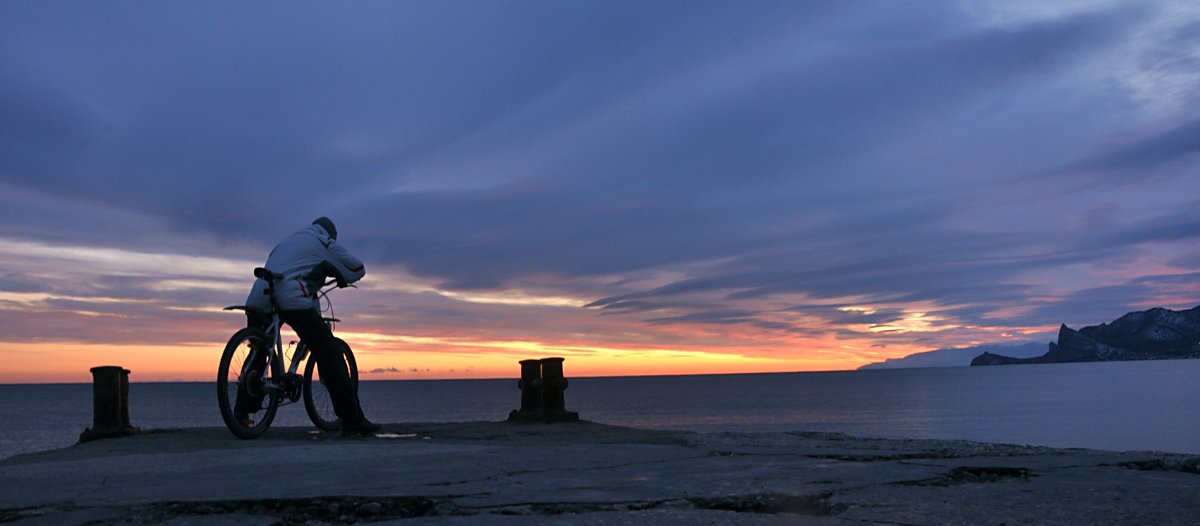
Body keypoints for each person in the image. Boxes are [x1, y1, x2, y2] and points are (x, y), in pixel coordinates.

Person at [237, 217, 380, 436]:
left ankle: (241, 415)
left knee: (259, 351)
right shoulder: (324, 242)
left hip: (259, 295)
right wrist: (342, 277)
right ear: (330, 234)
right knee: (329, 352)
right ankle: (352, 420)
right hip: (290, 295)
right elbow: (357, 267)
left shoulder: (289, 240)